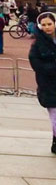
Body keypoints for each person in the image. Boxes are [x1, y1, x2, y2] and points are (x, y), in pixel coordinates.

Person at [28, 12, 56, 154]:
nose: (47, 27)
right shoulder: (38, 44)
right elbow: (36, 63)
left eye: (49, 24)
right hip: (49, 86)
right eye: (44, 25)